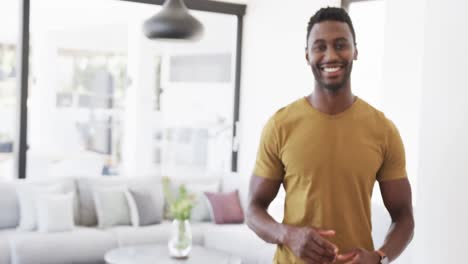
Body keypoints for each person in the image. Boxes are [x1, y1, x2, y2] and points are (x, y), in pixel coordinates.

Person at [246, 7, 414, 264]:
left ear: (355, 51)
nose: (331, 55)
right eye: (320, 47)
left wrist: (380, 258)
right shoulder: (280, 125)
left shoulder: (383, 130)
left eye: (340, 45)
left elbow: (403, 216)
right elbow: (253, 210)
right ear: (307, 55)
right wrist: (288, 234)